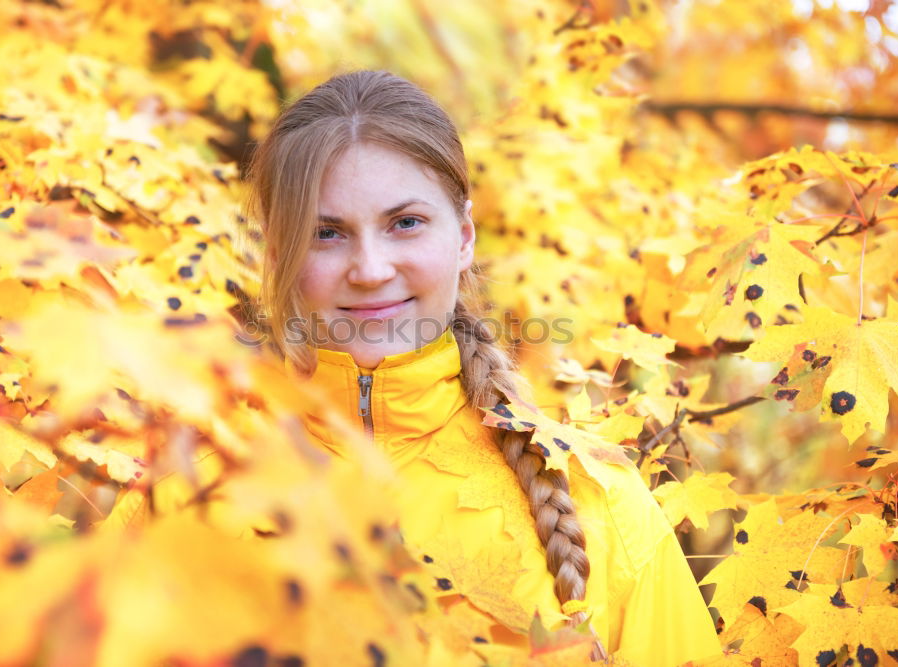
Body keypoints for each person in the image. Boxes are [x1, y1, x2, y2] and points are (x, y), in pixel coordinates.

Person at [249, 70, 721, 666]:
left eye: (405, 223)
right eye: (326, 233)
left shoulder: (601, 503)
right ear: (277, 253)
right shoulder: (191, 492)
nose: (369, 269)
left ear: (465, 235)